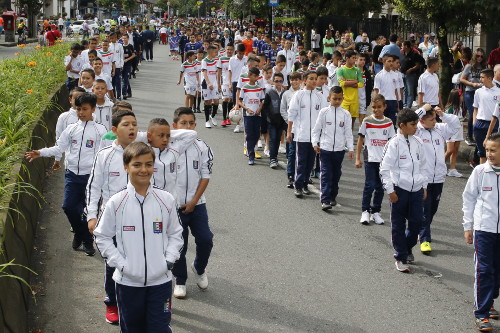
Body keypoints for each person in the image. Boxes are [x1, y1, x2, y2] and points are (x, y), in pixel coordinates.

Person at [93, 142, 184, 333]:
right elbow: (102, 236)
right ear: (126, 167)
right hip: (128, 284)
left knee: (159, 328)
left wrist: (168, 260)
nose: (144, 169)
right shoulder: (115, 202)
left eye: (149, 164)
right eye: (137, 164)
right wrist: (121, 264)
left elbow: (176, 233)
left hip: (161, 282)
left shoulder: (166, 199)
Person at [25, 93, 107, 256]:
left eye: (85, 109)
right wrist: (40, 153)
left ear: (93, 109)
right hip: (72, 175)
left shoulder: (100, 130)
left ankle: (86, 241)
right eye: (78, 109)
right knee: (68, 207)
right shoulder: (71, 129)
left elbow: (105, 154)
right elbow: (59, 148)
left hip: (91, 178)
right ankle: (82, 235)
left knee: (87, 210)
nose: (81, 112)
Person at [171, 107, 214, 299]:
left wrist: (194, 201)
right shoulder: (167, 147)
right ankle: (180, 280)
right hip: (175, 207)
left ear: (195, 125)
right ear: (175, 125)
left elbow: (205, 175)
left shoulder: (202, 146)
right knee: (179, 244)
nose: (187, 127)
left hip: (197, 204)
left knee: (205, 239)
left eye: (191, 123)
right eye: (183, 123)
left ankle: (199, 267)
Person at [380, 108, 428, 273]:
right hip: (399, 190)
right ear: (402, 125)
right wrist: (390, 190)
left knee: (417, 222)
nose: (416, 127)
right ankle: (400, 256)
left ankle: (407, 248)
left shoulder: (418, 142)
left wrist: (424, 186)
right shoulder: (393, 144)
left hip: (416, 190)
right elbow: (384, 169)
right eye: (413, 124)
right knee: (398, 225)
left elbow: (423, 166)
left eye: (417, 124)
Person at [462, 132, 500, 332]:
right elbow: (468, 199)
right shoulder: (479, 172)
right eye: (487, 150)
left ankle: (490, 301)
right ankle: (482, 313)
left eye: (493, 150)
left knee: (497, 271)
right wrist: (467, 226)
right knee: (484, 270)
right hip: (484, 229)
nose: (489, 154)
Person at [414, 104, 460, 254]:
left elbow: (456, 125)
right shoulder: (416, 132)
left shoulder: (440, 129)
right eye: (431, 119)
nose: (435, 121)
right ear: (421, 120)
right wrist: (422, 108)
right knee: (425, 209)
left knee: (433, 209)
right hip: (424, 179)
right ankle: (425, 238)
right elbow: (409, 117)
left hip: (439, 177)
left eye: (435, 118)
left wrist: (443, 115)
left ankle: (422, 228)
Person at [312, 86, 354, 210]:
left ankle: (332, 196)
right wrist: (315, 143)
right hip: (325, 148)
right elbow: (316, 130)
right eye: (334, 99)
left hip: (339, 150)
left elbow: (348, 133)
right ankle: (325, 199)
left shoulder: (346, 114)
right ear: (329, 98)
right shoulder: (324, 112)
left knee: (336, 174)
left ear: (343, 99)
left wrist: (351, 148)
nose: (337, 101)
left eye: (339, 99)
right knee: (326, 174)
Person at [287, 71, 328, 196]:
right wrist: (289, 132)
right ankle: (298, 185)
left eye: (316, 79)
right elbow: (291, 114)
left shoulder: (320, 97)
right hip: (301, 135)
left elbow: (323, 117)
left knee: (311, 162)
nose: (314, 81)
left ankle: (305, 184)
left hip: (314, 137)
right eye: (311, 79)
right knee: (301, 162)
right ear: (304, 80)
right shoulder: (298, 95)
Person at [355, 94, 395, 224]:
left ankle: (376, 212)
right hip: (370, 158)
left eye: (379, 107)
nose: (376, 110)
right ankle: (365, 211)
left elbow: (392, 142)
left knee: (380, 186)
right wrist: (358, 158)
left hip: (384, 161)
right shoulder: (367, 121)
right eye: (373, 107)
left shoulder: (388, 122)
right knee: (369, 185)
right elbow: (361, 139)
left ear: (384, 107)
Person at [473, 69, 500, 164]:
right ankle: (482, 175)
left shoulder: (498, 92)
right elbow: (475, 108)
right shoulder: (478, 92)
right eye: (480, 77)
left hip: (494, 124)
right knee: (482, 152)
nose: (480, 79)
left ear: (490, 78)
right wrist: (474, 123)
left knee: (493, 151)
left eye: (482, 77)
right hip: (480, 123)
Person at [461, 48, 487, 146]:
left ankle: (477, 135)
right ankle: (469, 136)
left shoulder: (484, 66)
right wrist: (472, 84)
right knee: (472, 113)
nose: (479, 58)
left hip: (480, 93)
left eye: (481, 56)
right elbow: (462, 79)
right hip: (470, 92)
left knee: (480, 113)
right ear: (474, 56)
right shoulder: (469, 66)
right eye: (478, 56)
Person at [239, 67, 265, 165]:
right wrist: (246, 108)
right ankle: (251, 154)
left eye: (257, 76)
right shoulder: (244, 88)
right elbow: (239, 101)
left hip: (257, 115)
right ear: (249, 76)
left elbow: (262, 100)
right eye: (254, 76)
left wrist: (259, 108)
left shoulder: (259, 88)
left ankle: (251, 149)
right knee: (249, 135)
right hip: (248, 115)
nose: (256, 78)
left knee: (257, 134)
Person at [281, 72, 302, 188]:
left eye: (296, 79)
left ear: (300, 81)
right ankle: (290, 175)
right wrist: (289, 120)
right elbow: (283, 109)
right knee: (292, 152)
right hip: (291, 127)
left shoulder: (303, 93)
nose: (294, 82)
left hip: (302, 128)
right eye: (292, 80)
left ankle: (303, 176)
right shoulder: (286, 94)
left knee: (302, 154)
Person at [263, 72, 286, 169]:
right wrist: (268, 118)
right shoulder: (269, 92)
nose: (278, 83)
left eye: (280, 81)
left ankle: (275, 156)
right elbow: (266, 106)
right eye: (276, 81)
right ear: (273, 81)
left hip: (281, 120)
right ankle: (272, 158)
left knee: (278, 139)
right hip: (272, 120)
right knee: (272, 139)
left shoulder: (285, 92)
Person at [337, 50, 364, 127]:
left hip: (354, 100)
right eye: (353, 58)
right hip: (344, 99)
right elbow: (341, 83)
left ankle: (349, 138)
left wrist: (347, 82)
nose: (355, 59)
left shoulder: (357, 70)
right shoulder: (340, 70)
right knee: (343, 122)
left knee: (351, 122)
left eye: (355, 58)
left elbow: (361, 84)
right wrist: (354, 81)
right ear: (347, 58)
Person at [444, 89, 465, 178]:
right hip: (451, 132)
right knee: (450, 150)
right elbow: (445, 119)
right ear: (457, 97)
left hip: (458, 131)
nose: (462, 98)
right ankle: (439, 164)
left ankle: (452, 169)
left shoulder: (459, 108)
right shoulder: (450, 108)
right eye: (461, 96)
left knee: (455, 150)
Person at [374, 54, 399, 126]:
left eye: (392, 61)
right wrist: (377, 104)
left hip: (393, 101)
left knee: (392, 123)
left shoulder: (395, 75)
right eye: (389, 61)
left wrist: (397, 103)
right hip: (383, 101)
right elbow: (376, 91)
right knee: (382, 122)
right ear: (384, 62)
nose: (391, 63)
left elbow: (396, 91)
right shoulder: (379, 75)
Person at [201, 45, 220, 128]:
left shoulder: (216, 60)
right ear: (210, 52)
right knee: (207, 102)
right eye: (215, 52)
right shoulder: (204, 61)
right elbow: (204, 73)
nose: (216, 53)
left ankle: (213, 116)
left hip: (214, 83)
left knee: (216, 101)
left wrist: (218, 83)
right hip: (206, 84)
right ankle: (207, 120)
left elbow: (218, 72)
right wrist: (208, 83)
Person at [400, 40, 423, 108]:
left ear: (406, 46)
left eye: (402, 45)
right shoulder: (402, 53)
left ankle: (408, 105)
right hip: (403, 74)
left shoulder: (414, 54)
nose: (401, 47)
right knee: (405, 90)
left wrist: (411, 69)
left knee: (410, 91)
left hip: (411, 75)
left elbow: (418, 64)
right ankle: (404, 104)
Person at [217, 44, 234, 126]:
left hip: (233, 82)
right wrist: (218, 83)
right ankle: (224, 119)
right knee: (225, 99)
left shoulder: (234, 59)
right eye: (228, 49)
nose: (229, 51)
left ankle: (228, 118)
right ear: (226, 50)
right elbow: (219, 72)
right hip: (224, 82)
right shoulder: (221, 59)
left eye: (231, 49)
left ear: (233, 50)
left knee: (231, 100)